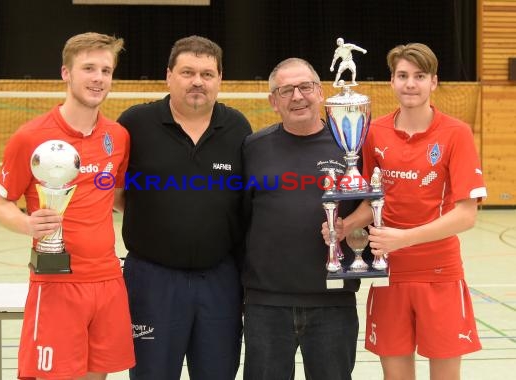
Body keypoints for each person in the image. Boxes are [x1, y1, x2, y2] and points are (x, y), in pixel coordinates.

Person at [324, 43, 486, 380]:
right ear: (392, 82)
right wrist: (344, 227)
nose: (410, 84)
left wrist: (404, 239)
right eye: (402, 76)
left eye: (419, 76)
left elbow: (466, 214)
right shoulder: (374, 132)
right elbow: (373, 200)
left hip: (439, 274)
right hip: (389, 275)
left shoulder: (456, 133)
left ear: (434, 82)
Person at [0, 32, 134, 380]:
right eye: (88, 68)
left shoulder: (117, 137)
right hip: (56, 282)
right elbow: (1, 204)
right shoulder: (30, 136)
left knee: (96, 375)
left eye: (106, 70)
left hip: (108, 279)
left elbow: (117, 197)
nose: (98, 78)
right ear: (66, 73)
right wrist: (27, 224)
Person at [116, 35, 252, 380]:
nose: (197, 82)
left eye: (207, 74)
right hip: (151, 280)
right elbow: (113, 191)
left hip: (220, 281)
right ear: (169, 76)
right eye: (188, 72)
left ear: (220, 79)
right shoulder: (135, 124)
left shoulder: (237, 128)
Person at [242, 57, 362, 380]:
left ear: (320, 92)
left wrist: (350, 229)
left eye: (305, 87)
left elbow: (370, 209)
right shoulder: (253, 148)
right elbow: (240, 219)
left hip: (333, 304)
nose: (297, 96)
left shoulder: (350, 147)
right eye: (286, 90)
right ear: (273, 101)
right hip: (267, 306)